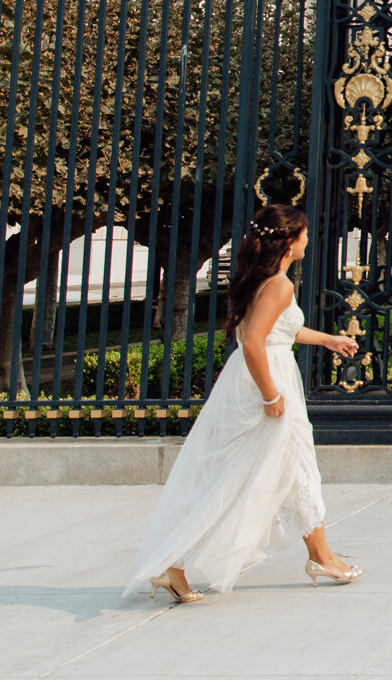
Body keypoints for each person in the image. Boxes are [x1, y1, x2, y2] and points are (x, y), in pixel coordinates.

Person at [123, 204, 363, 604]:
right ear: (289, 241)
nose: (308, 239)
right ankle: (177, 562)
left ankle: (319, 556)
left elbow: (279, 330)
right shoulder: (279, 284)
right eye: (303, 233)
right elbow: (253, 341)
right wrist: (270, 394)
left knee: (282, 467)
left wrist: (328, 339)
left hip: (259, 375)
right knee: (248, 474)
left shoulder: (268, 278)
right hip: (264, 380)